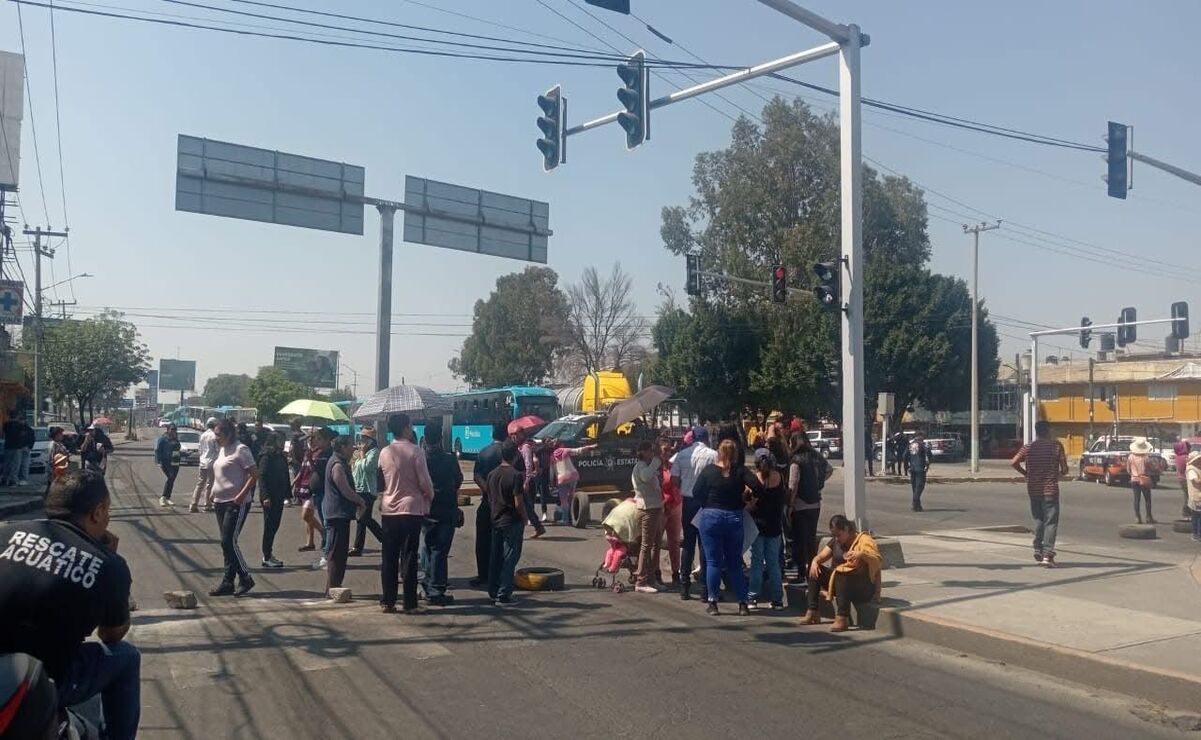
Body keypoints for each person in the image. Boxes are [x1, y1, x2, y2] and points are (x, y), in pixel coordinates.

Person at [0, 470, 138, 739]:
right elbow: (111, 634)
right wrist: (109, 564)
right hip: (44, 681)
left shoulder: (7, 534)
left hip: (7, 676)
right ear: (97, 512)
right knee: (126, 657)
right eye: (107, 510)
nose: (107, 518)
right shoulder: (109, 566)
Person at [692, 439, 766, 616]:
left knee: (713, 562)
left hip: (711, 516)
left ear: (719, 452)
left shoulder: (709, 471)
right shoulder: (740, 471)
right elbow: (757, 486)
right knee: (734, 563)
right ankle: (742, 603)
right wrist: (746, 498)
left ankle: (713, 602)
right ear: (735, 454)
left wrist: (707, 503)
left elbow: (696, 492)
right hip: (733, 516)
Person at [377, 413, 434, 614]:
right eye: (410, 425)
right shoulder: (416, 451)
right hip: (411, 509)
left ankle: (388, 601)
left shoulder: (384, 452)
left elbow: (381, 481)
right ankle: (409, 603)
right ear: (405, 428)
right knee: (409, 556)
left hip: (389, 509)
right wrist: (430, 496)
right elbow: (425, 482)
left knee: (389, 556)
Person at [800, 514, 882, 632]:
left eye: (839, 535)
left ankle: (842, 618)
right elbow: (822, 556)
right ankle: (812, 611)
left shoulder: (863, 540)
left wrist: (861, 555)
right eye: (834, 535)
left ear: (847, 529)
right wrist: (815, 561)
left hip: (861, 586)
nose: (837, 538)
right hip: (838, 584)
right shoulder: (835, 542)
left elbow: (876, 560)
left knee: (841, 574)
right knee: (815, 570)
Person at [208, 417, 259, 597]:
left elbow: (254, 474)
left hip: (236, 503)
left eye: (219, 434)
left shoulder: (241, 449)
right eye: (215, 434)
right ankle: (228, 581)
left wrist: (240, 496)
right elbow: (221, 473)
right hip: (220, 502)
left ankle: (245, 577)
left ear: (229, 434)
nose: (215, 438)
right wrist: (213, 491)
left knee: (228, 541)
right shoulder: (221, 450)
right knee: (226, 544)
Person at [1011, 420, 1068, 567]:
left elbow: (1014, 462)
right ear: (1048, 431)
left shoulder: (1028, 447)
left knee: (1038, 519)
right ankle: (1047, 555)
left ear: (1036, 431)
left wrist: (1026, 474)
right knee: (1051, 522)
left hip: (1033, 489)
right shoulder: (1056, 446)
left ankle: (1038, 547)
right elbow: (1065, 469)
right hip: (1050, 490)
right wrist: (1060, 472)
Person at [670, 426, 717, 601]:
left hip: (688, 501)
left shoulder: (682, 455)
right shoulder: (713, 455)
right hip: (706, 502)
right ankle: (706, 589)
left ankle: (684, 586)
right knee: (705, 545)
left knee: (688, 544)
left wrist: (684, 486)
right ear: (705, 438)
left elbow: (674, 479)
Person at [420, 421, 463, 606]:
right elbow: (458, 479)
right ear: (441, 438)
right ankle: (436, 589)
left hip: (425, 508)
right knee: (439, 550)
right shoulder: (449, 458)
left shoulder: (420, 458)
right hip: (446, 510)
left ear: (425, 438)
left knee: (428, 547)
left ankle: (428, 583)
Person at [323, 436, 367, 597]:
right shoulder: (337, 465)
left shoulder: (339, 462)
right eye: (350, 447)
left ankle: (334, 587)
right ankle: (332, 589)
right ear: (342, 447)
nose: (353, 450)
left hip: (341, 513)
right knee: (336, 553)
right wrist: (360, 500)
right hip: (337, 514)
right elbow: (344, 488)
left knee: (340, 553)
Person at [788, 431, 831, 583]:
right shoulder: (816, 456)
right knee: (811, 539)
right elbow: (829, 470)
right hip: (815, 504)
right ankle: (813, 572)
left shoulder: (795, 460)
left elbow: (793, 484)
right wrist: (818, 484)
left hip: (800, 504)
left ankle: (802, 574)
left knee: (799, 540)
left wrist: (790, 504)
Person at [486, 440, 526, 607]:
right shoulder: (516, 475)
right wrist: (524, 517)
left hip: (496, 520)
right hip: (511, 521)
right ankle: (504, 594)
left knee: (495, 557)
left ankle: (493, 590)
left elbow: (490, 498)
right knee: (510, 558)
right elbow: (518, 503)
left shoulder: (492, 474)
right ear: (515, 455)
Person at [748, 448, 786, 610]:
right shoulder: (780, 477)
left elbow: (749, 502)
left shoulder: (754, 479)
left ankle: (753, 598)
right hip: (775, 525)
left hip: (757, 526)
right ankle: (777, 599)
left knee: (756, 562)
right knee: (773, 563)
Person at [470, 424, 507, 588]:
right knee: (501, 542)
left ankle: (483, 574)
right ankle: (499, 575)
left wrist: (487, 489)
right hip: (505, 505)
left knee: (482, 540)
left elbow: (476, 475)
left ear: (493, 434)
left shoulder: (484, 452)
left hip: (486, 502)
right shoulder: (509, 453)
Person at [631, 440, 664, 594]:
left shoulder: (648, 466)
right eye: (650, 451)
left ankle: (651, 578)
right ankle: (641, 580)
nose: (652, 453)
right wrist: (656, 462)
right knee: (646, 545)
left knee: (655, 544)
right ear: (643, 452)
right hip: (647, 508)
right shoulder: (641, 466)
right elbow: (645, 477)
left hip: (656, 506)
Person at [349, 426, 385, 557]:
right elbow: (354, 467)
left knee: (364, 518)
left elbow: (367, 468)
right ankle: (357, 547)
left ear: (370, 440)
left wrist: (362, 454)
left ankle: (385, 539)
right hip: (358, 488)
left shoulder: (374, 452)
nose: (362, 441)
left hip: (368, 490)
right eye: (361, 438)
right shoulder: (359, 452)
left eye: (364, 438)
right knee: (361, 519)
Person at [257, 432, 290, 568]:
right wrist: (265, 496)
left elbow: (285, 475)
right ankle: (266, 556)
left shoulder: (280, 455)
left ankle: (269, 554)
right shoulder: (267, 456)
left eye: (283, 440)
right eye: (280, 440)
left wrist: (288, 493)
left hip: (279, 496)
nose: (282, 443)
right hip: (270, 497)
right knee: (269, 526)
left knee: (275, 525)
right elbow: (262, 476)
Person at [307, 428, 337, 570]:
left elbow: (321, 471)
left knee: (327, 525)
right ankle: (327, 555)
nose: (316, 441)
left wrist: (312, 460)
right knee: (326, 524)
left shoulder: (328, 454)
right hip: (318, 492)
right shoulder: (321, 453)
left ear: (326, 440)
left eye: (319, 439)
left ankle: (327, 556)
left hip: (325, 493)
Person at [550, 438, 597, 525]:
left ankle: (565, 519)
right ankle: (574, 516)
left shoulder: (552, 457)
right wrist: (591, 447)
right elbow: (578, 450)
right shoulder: (566, 451)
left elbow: (552, 471)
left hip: (562, 479)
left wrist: (551, 481)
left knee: (564, 500)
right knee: (571, 497)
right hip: (573, 476)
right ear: (561, 445)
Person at [659, 438, 683, 587]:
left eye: (669, 450)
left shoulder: (673, 466)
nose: (668, 453)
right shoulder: (656, 469)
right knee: (656, 542)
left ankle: (676, 572)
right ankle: (655, 572)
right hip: (662, 507)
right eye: (664, 450)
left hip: (676, 505)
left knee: (674, 541)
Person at [514, 429, 546, 540]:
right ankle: (538, 527)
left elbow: (528, 465)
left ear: (522, 435)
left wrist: (526, 482)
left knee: (524, 506)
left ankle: (535, 527)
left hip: (525, 480)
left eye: (516, 434)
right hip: (523, 480)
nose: (515, 437)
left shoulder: (525, 447)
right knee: (527, 506)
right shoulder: (521, 447)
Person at [190, 417, 219, 513]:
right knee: (209, 484)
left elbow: (200, 449)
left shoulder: (203, 435)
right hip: (212, 462)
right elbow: (217, 449)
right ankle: (207, 504)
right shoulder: (214, 436)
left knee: (200, 484)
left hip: (202, 461)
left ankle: (193, 504)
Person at [1127, 437, 1156, 524]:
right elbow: (1151, 468)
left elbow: (1128, 470)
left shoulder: (1130, 457)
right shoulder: (1146, 458)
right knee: (1147, 499)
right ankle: (1148, 517)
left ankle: (1137, 517)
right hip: (1144, 479)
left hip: (1134, 479)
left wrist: (1133, 474)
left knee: (1136, 499)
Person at [906, 431, 933, 512]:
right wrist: (928, 465)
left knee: (915, 487)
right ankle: (915, 503)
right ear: (920, 436)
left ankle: (918, 505)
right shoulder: (922, 445)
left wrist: (907, 467)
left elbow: (904, 456)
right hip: (920, 468)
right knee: (920, 486)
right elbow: (929, 455)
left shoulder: (910, 445)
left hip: (912, 468)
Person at [154, 424, 181, 507]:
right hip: (166, 462)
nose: (173, 431)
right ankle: (163, 497)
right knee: (170, 477)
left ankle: (168, 497)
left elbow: (178, 448)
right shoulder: (163, 439)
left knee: (172, 480)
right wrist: (159, 462)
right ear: (168, 430)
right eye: (172, 429)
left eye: (175, 429)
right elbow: (158, 450)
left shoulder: (175, 439)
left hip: (175, 462)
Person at [1, 412, 20, 486]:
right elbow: (21, 436)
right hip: (16, 447)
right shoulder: (19, 425)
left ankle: (4, 478)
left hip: (8, 446)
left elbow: (4, 433)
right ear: (17, 416)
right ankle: (13, 480)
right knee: (15, 464)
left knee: (6, 463)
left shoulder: (6, 424)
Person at [1176, 438, 1192, 520]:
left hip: (1181, 478)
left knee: (1187, 496)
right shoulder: (1186, 457)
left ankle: (1187, 513)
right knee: (1189, 496)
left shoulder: (1178, 457)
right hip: (1187, 479)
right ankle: (1187, 513)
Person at [1187, 451, 1201, 542]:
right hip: (1196, 496)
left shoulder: (1197, 469)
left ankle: (1197, 533)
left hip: (1198, 496)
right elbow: (1196, 481)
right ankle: (1197, 534)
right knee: (1197, 516)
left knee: (1197, 515)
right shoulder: (1191, 470)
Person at [17, 419, 33, 486]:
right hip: (25, 447)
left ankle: (22, 479)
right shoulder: (29, 429)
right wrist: (29, 447)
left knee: (21, 464)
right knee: (24, 464)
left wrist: (29, 447)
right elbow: (32, 439)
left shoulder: (20, 429)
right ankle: (23, 479)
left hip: (21, 448)